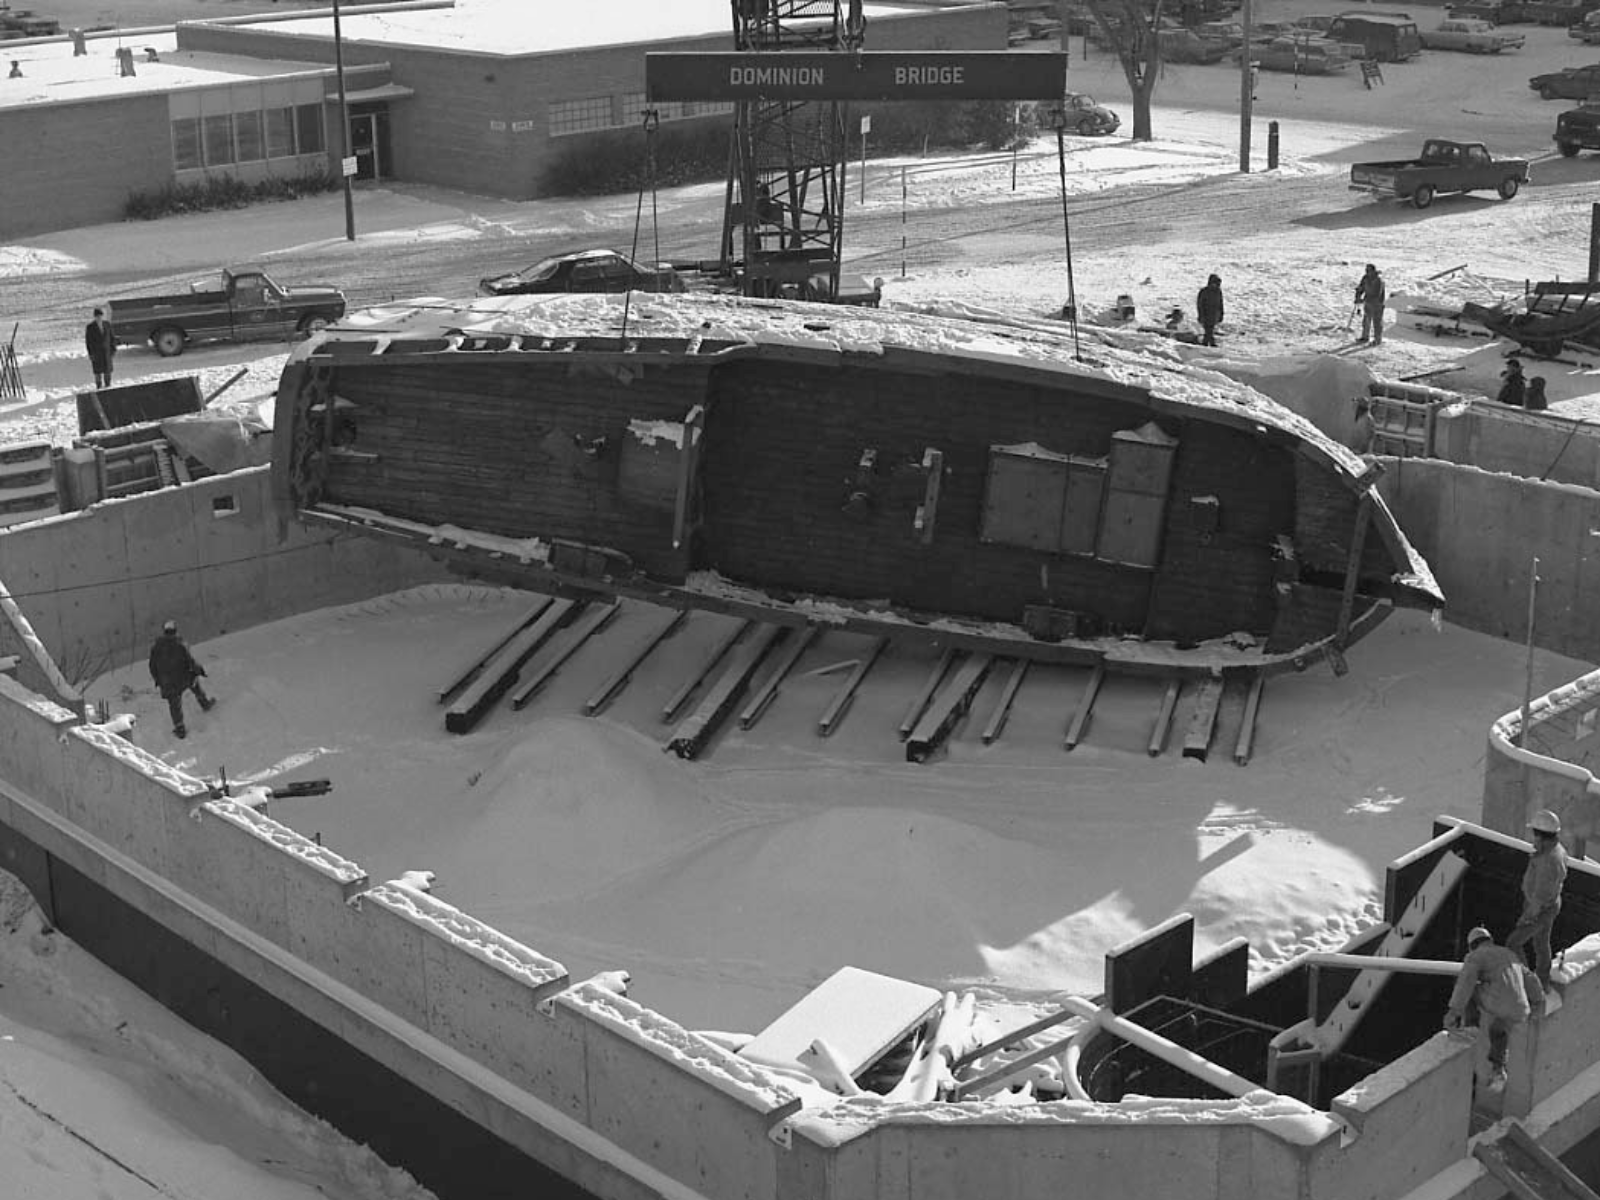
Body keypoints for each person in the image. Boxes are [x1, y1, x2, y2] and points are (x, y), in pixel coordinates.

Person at [1445, 926, 1546, 1091]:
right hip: (1520, 1008)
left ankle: (1471, 1028)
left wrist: (1454, 1011)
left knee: (1468, 987)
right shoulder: (1509, 954)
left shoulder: (1475, 956)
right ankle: (1498, 1070)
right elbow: (1531, 979)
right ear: (1489, 940)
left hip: (1497, 1002)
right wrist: (1539, 1002)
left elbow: (1466, 982)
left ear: (1472, 945)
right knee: (1498, 1031)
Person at [1507, 808, 1569, 988]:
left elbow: (1540, 897)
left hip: (1540, 909)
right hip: (1549, 905)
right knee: (1541, 943)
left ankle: (1530, 984)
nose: (1533, 838)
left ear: (1541, 835)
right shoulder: (1553, 851)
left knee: (1513, 943)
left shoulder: (1548, 860)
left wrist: (1526, 917)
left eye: (1534, 833)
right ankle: (1542, 980)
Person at [148, 619, 214, 740]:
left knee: (174, 704)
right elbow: (190, 661)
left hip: (167, 681)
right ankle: (205, 703)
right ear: (175, 631)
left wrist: (158, 680)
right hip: (183, 678)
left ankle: (180, 728)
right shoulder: (180, 643)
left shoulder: (156, 647)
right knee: (195, 685)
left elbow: (152, 666)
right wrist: (200, 670)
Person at [85, 306, 117, 390]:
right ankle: (98, 387)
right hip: (96, 353)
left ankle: (108, 386)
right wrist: (91, 354)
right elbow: (88, 342)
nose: (99, 318)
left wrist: (113, 349)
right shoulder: (90, 327)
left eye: (100, 316)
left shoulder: (107, 324)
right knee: (98, 372)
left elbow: (112, 337)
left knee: (108, 371)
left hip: (107, 353)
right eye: (97, 316)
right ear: (95, 317)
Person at [1355, 264, 1386, 345]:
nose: (1367, 272)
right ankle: (1365, 337)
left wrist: (1364, 299)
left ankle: (1377, 340)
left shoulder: (1379, 280)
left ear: (1373, 271)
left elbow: (1377, 294)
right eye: (1366, 270)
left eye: (1369, 270)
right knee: (1366, 320)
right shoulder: (1365, 278)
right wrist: (1358, 295)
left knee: (1377, 322)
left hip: (1378, 304)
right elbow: (1361, 287)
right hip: (1368, 303)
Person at [1196, 273, 1224, 347]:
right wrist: (1200, 315)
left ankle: (1207, 343)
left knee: (1210, 330)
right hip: (1206, 314)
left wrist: (1221, 314)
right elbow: (1200, 304)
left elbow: (1220, 303)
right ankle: (1210, 343)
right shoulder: (1204, 291)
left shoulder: (1218, 292)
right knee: (1208, 330)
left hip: (1214, 315)